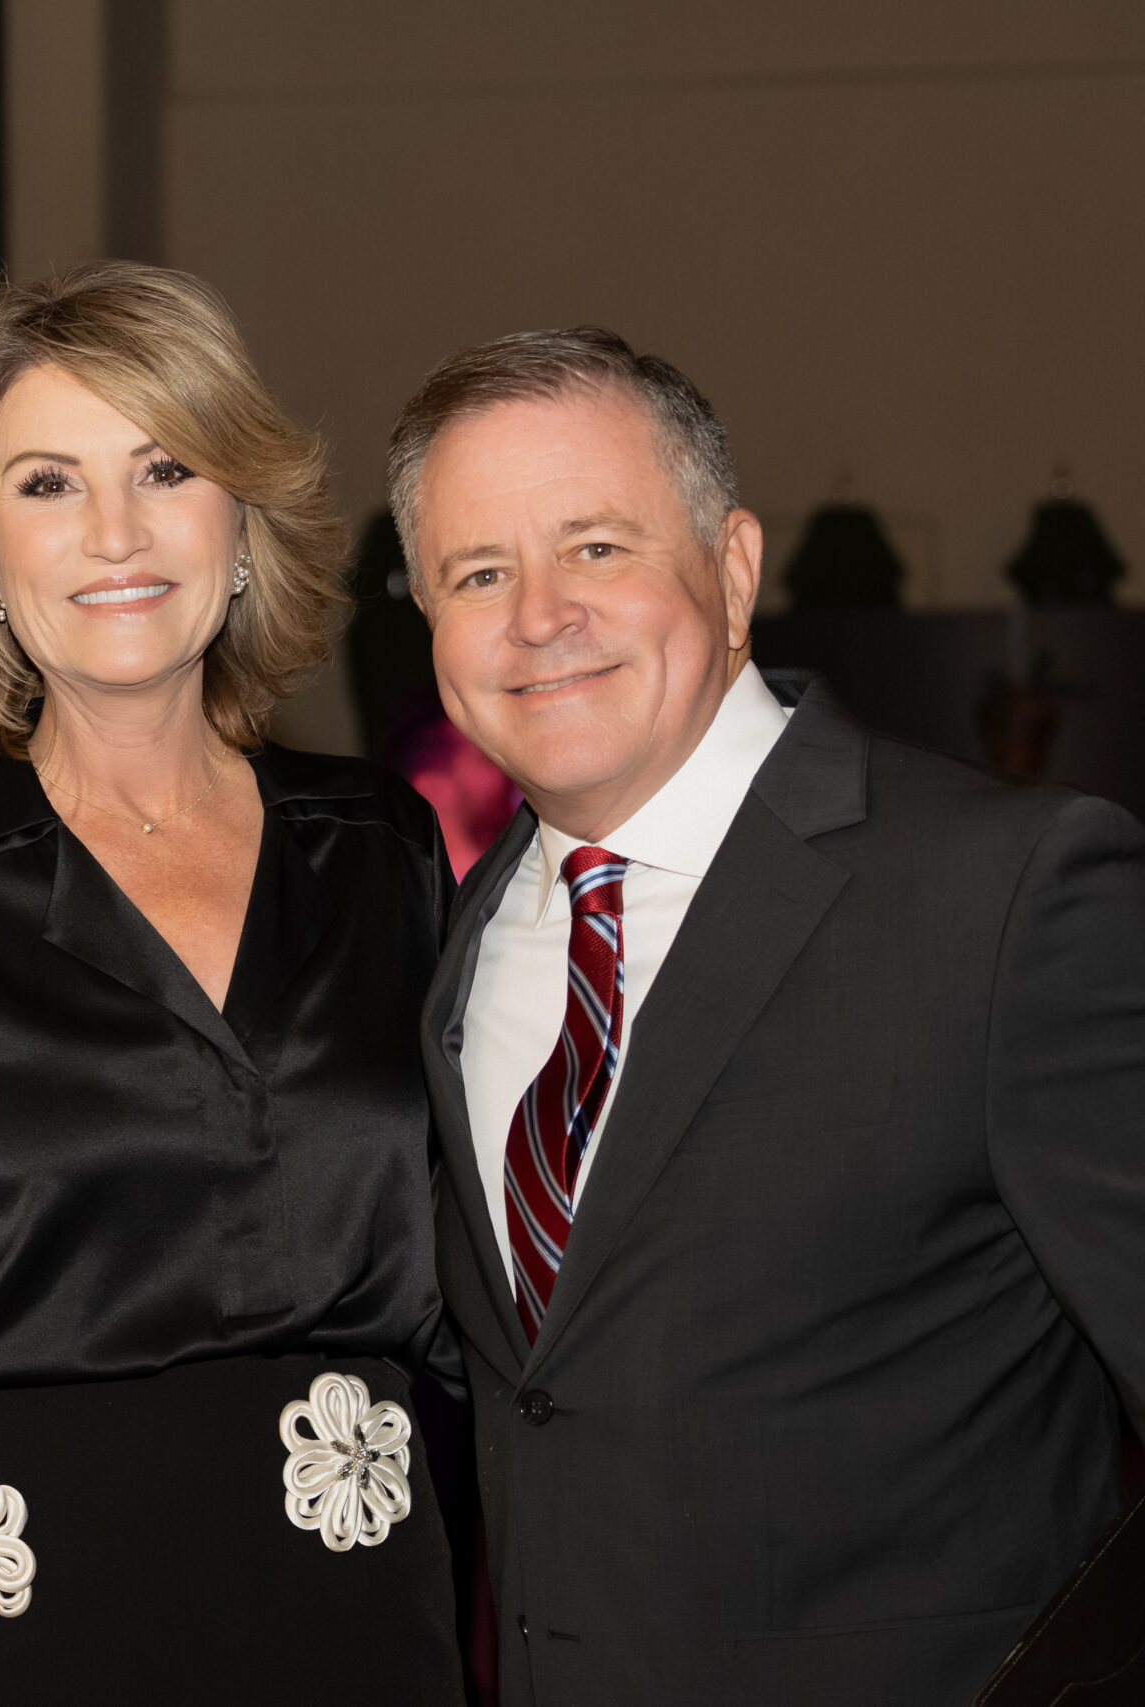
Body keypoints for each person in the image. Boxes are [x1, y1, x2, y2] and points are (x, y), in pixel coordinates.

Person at [0, 262, 465, 1704]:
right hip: (4, 1641)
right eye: (49, 483)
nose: (115, 531)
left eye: (165, 469)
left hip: (358, 1623)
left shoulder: (385, 851)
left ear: (240, 521)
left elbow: (481, 1297)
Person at [400, 327, 1145, 1703]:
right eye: (478, 573)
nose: (540, 615)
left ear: (733, 570)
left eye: (597, 547)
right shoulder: (454, 939)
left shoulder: (1007, 895)